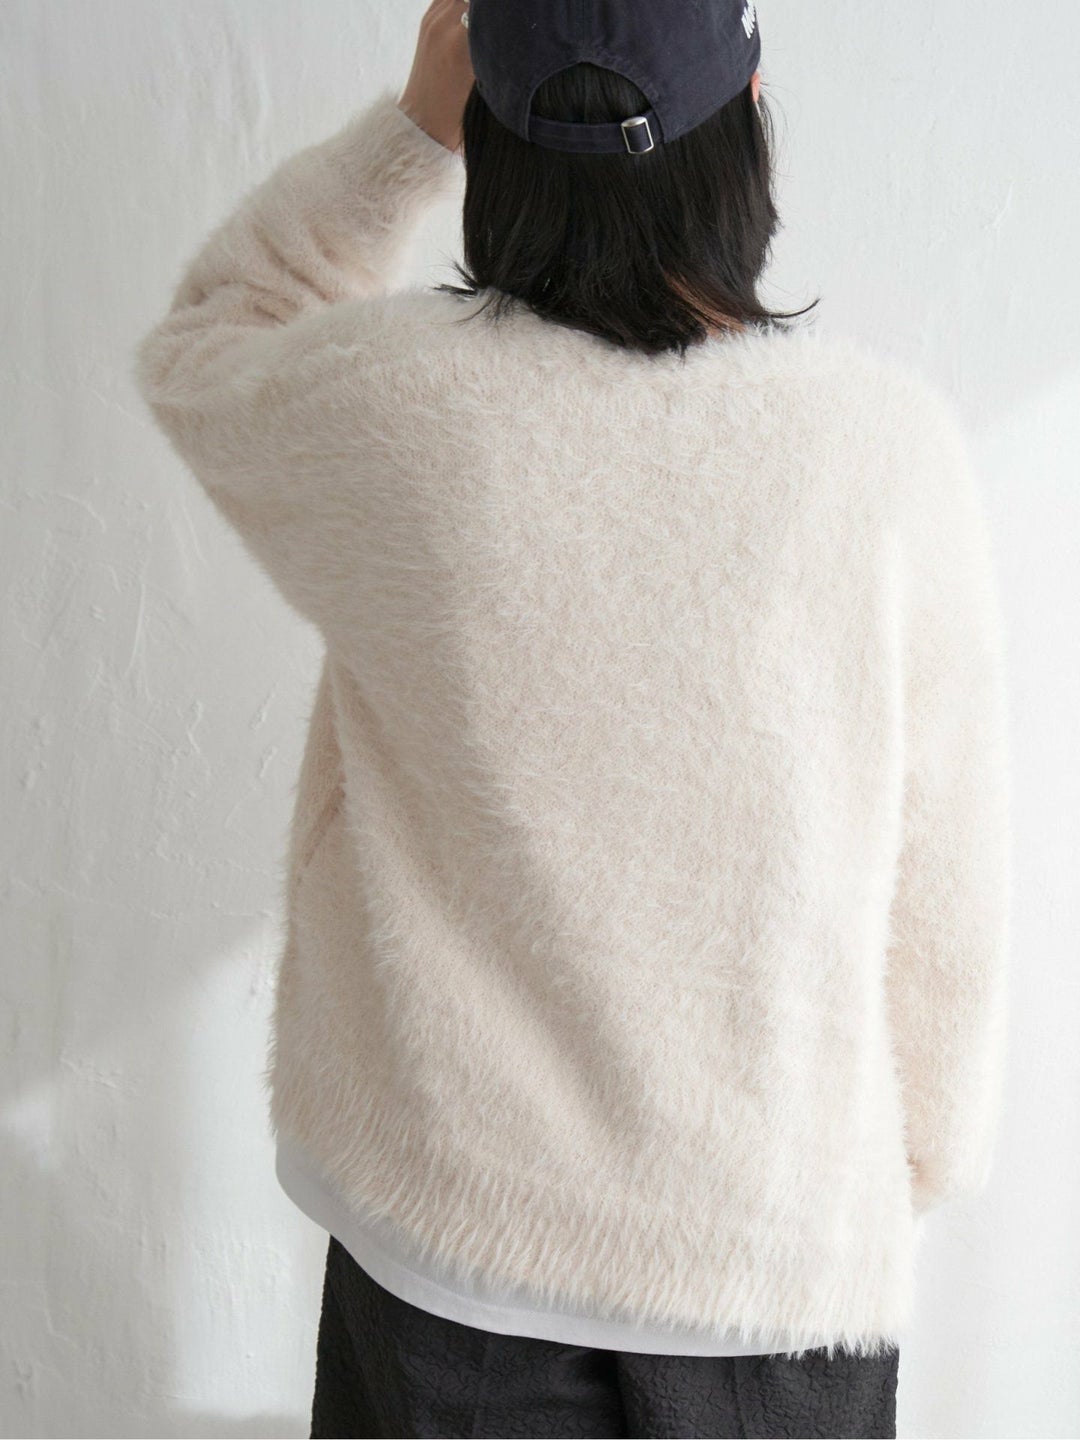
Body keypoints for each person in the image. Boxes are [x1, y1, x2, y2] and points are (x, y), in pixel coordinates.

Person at [132, 0, 1012, 1435]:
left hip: (451, 1247)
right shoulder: (886, 457)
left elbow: (209, 335)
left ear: (494, 134)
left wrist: (407, 135)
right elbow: (949, 888)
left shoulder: (396, 413)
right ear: (748, 125)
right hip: (773, 1268)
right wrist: (899, 1171)